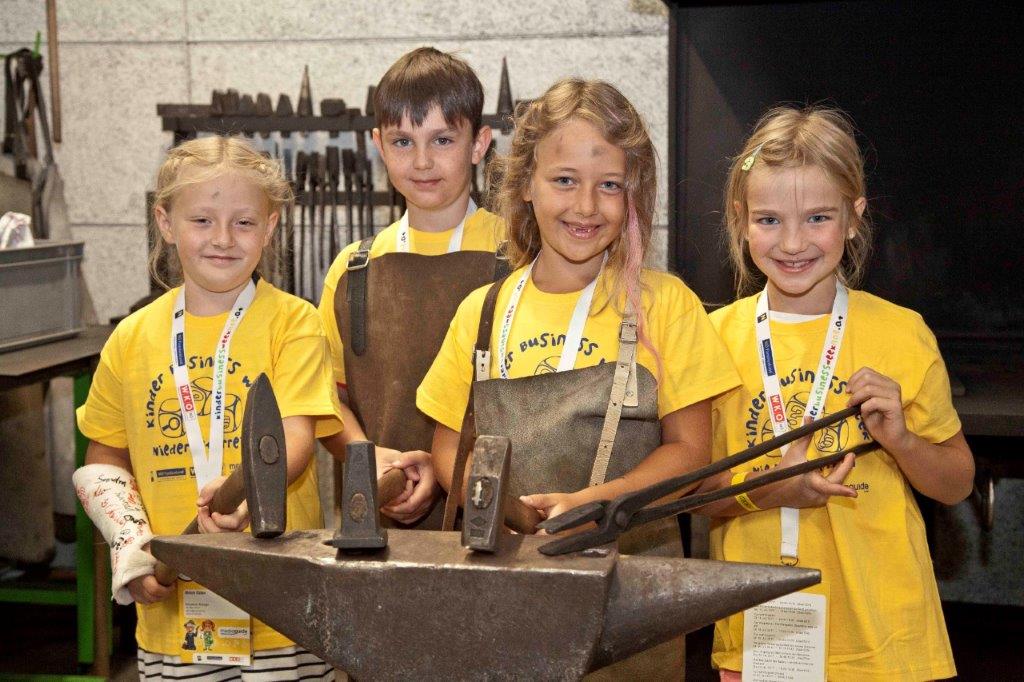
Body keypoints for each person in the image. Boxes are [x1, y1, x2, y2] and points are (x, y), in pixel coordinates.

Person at [416, 78, 740, 679]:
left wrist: (594, 505)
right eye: (564, 180)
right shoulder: (481, 314)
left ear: (634, 197)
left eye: (609, 186)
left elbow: (694, 453)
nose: (586, 207)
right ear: (525, 188)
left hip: (631, 604)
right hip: (502, 594)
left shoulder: (663, 307)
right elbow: (447, 448)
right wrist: (502, 504)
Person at [700, 106, 974, 681]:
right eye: (769, 220)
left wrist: (901, 440)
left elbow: (956, 483)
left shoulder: (902, 332)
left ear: (854, 217)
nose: (793, 242)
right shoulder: (713, 339)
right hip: (759, 640)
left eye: (818, 218)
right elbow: (695, 499)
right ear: (741, 220)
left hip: (889, 645)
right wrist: (772, 489)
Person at [73, 136, 341, 680]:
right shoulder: (130, 338)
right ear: (166, 223)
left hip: (282, 612)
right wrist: (132, 551)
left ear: (269, 227)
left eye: (244, 223)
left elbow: (293, 440)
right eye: (201, 221)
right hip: (173, 614)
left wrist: (248, 491)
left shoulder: (294, 323)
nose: (223, 239)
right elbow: (104, 461)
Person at [318, 46, 505, 526]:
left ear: (480, 144)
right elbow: (327, 398)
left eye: (442, 140)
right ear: (379, 145)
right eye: (403, 142)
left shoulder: (521, 257)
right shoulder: (352, 271)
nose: (422, 162)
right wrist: (367, 457)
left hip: (498, 526)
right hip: (379, 525)